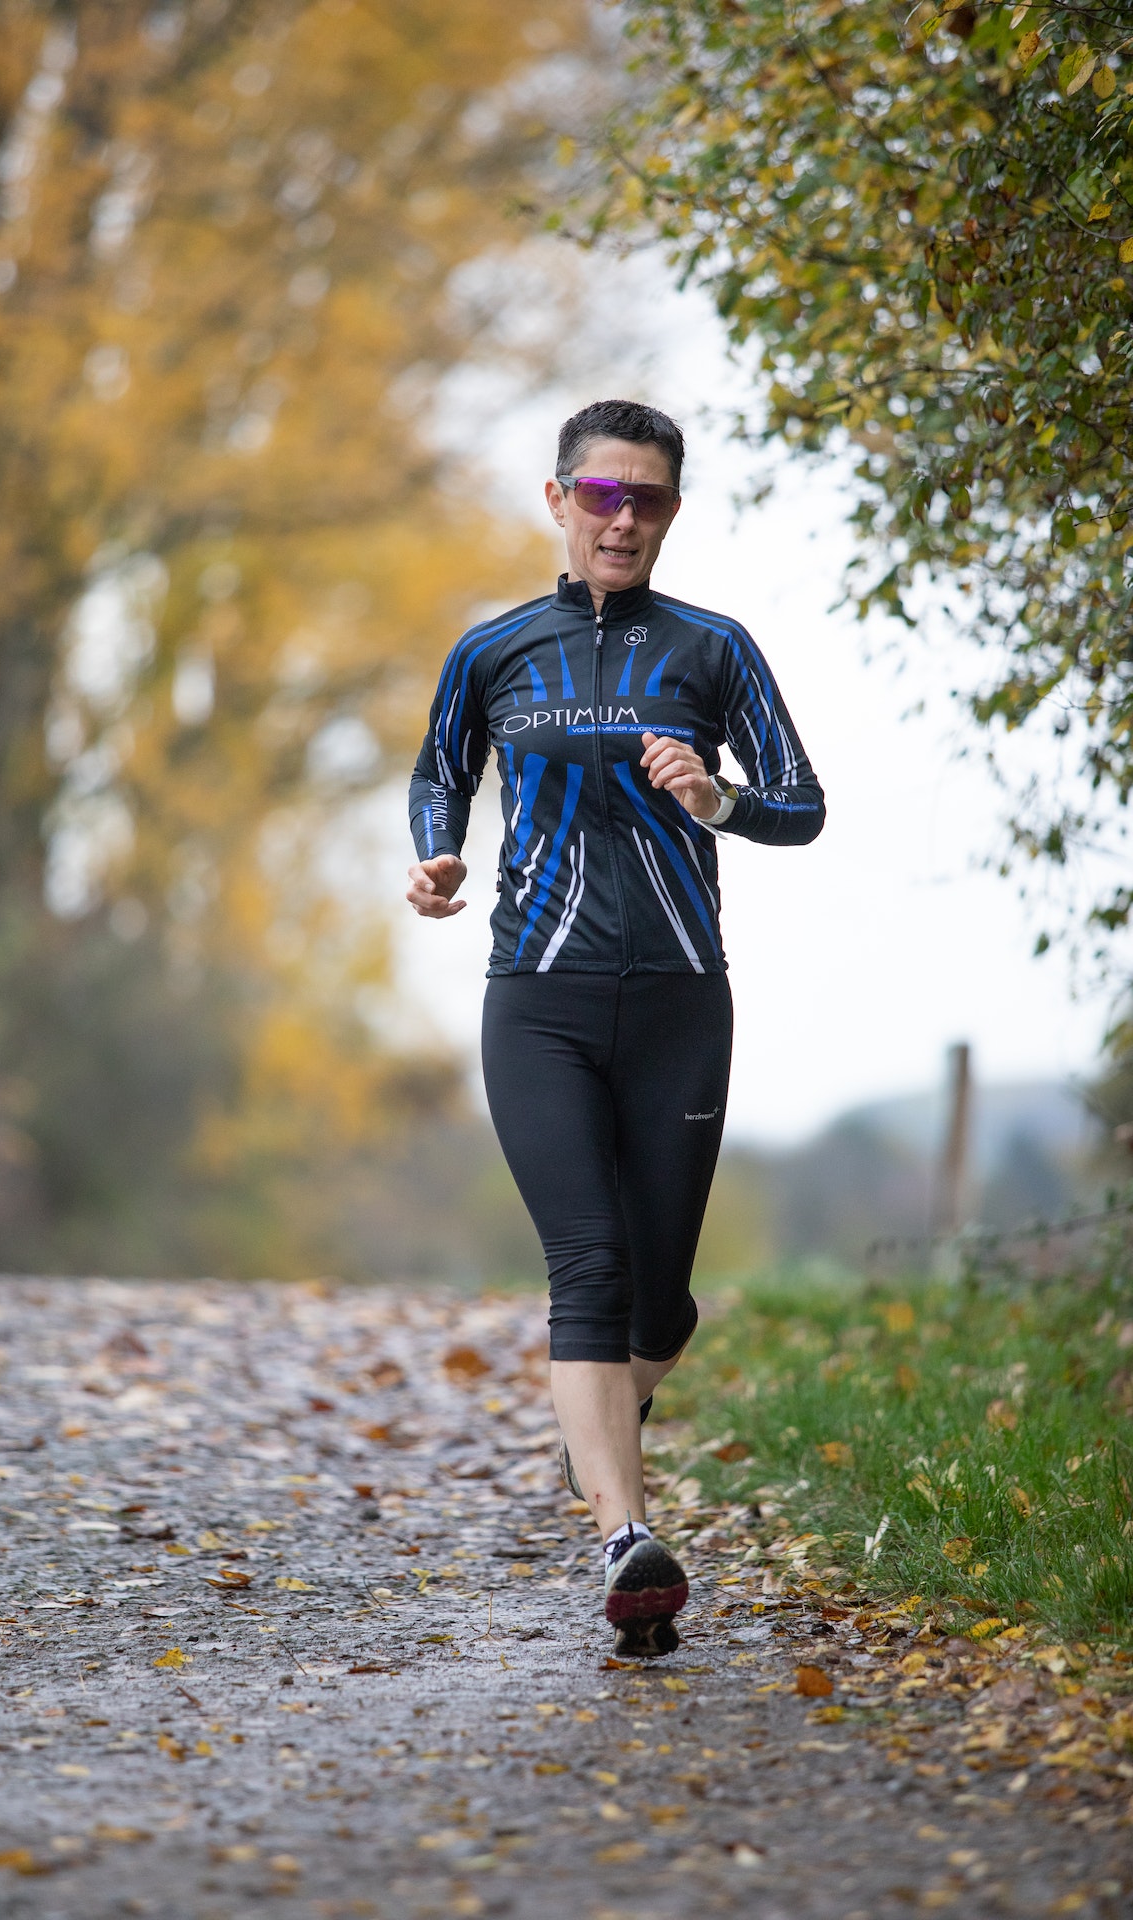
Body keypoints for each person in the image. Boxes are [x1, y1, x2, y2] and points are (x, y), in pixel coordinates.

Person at [405, 399, 825, 1656]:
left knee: (658, 1306)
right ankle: (623, 1542)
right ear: (558, 501)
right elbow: (440, 771)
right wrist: (433, 855)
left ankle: (592, 1433)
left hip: (681, 1002)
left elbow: (800, 806)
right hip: (535, 999)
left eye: (645, 498)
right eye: (601, 495)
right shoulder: (494, 651)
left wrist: (717, 799)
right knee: (583, 1266)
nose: (622, 517)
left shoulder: (712, 649)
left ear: (671, 514)